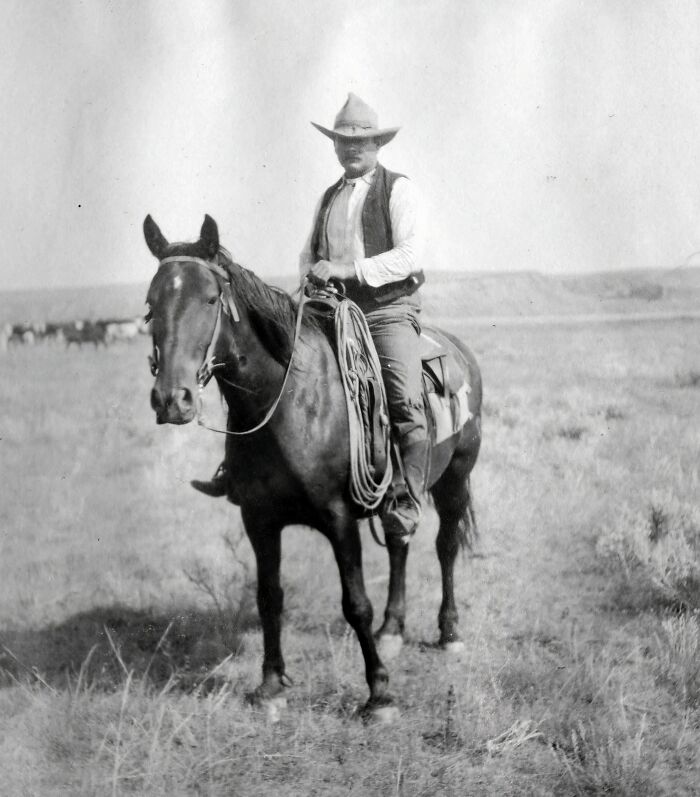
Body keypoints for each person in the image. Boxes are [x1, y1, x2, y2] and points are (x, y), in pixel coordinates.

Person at [193, 93, 428, 544]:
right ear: (334, 146)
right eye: (342, 141)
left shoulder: (400, 190)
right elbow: (308, 254)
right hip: (328, 309)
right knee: (266, 372)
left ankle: (407, 498)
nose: (351, 148)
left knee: (404, 398)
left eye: (360, 141)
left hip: (385, 312)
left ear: (378, 145)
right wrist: (308, 284)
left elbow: (409, 256)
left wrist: (347, 270)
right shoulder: (329, 197)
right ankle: (240, 467)